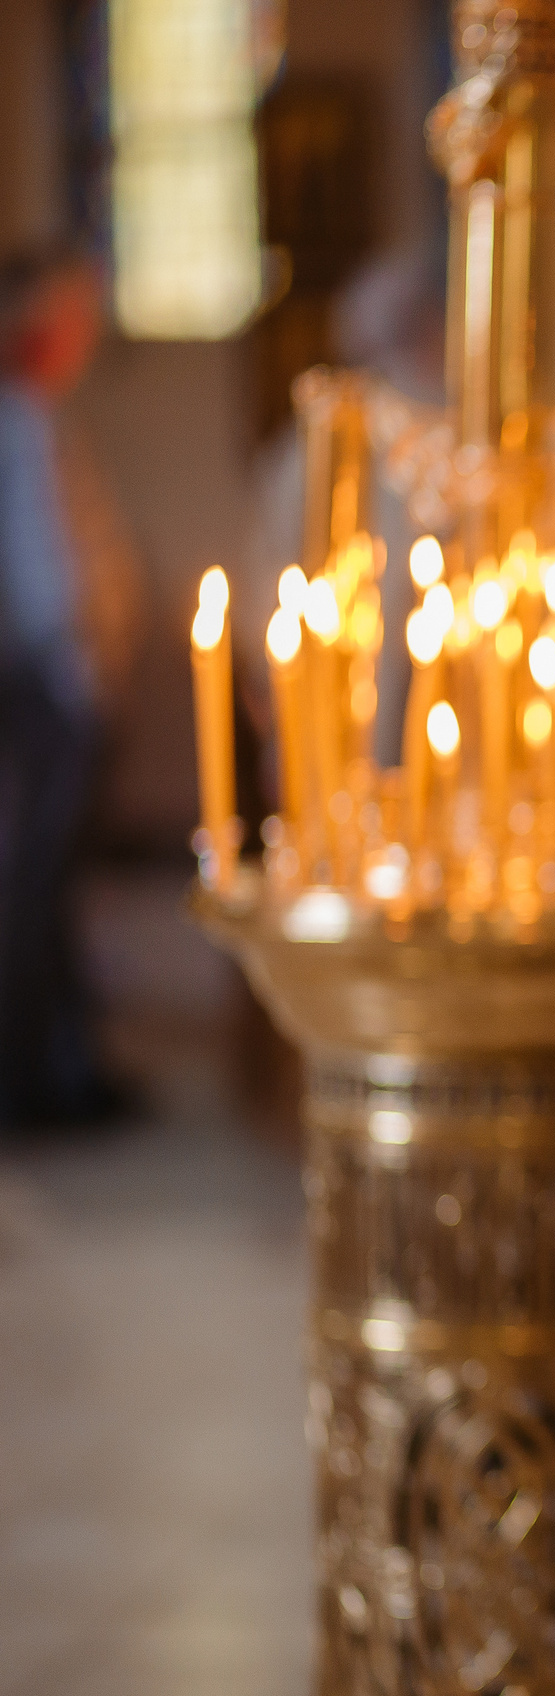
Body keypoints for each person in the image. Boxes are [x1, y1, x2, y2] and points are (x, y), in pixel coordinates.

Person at [0, 246, 122, 1128]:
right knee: (33, 880)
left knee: (50, 881)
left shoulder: (35, 413)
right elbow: (47, 569)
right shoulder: (20, 416)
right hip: (50, 684)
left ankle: (63, 1063)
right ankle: (37, 1078)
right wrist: (84, 671)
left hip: (54, 680)